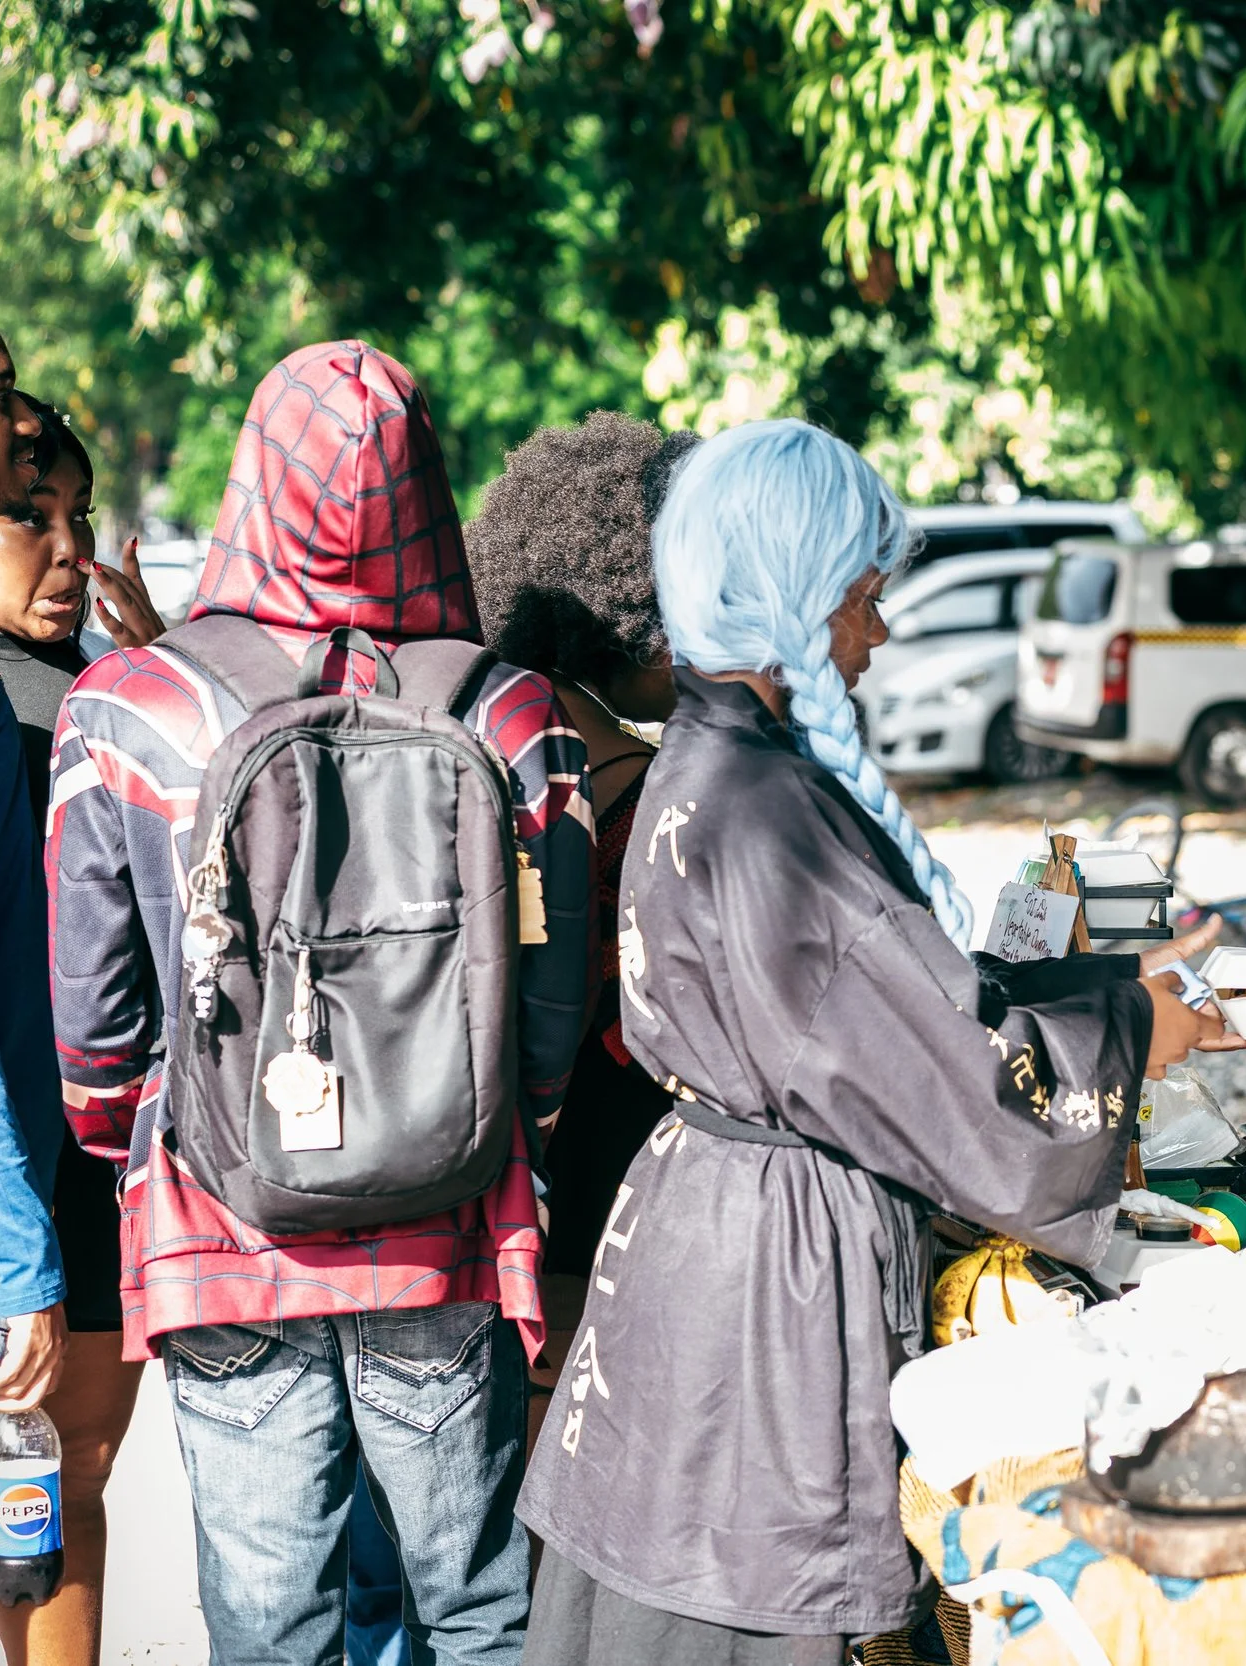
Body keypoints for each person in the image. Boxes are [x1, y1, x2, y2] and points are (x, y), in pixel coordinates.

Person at [515, 418, 1222, 1662]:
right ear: (793, 594)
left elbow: (895, 986)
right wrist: (1133, 1025)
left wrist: (1102, 982)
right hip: (762, 1276)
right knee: (734, 1600)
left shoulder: (702, 755)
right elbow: (942, 1064)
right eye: (863, 599)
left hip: (701, 1228)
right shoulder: (763, 802)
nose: (878, 635)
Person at [46, 340, 592, 1666]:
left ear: (251, 483)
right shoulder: (515, 714)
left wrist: (161, 1137)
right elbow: (551, 1009)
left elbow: (95, 1028)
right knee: (476, 1609)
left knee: (271, 1623)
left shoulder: (128, 710)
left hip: (223, 1226)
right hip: (448, 1224)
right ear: (427, 494)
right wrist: (485, 1125)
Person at [460, 411, 692, 1436]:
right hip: (605, 1181)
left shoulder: (465, 738)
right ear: (630, 610)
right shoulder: (645, 791)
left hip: (469, 1170)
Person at [0, 403, 163, 1666]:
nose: (68, 551)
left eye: (80, 519)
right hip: (20, 1198)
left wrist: (161, 667)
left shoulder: (99, 695)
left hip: (95, 1176)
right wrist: (19, 1259)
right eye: (28, 519)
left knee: (55, 1499)